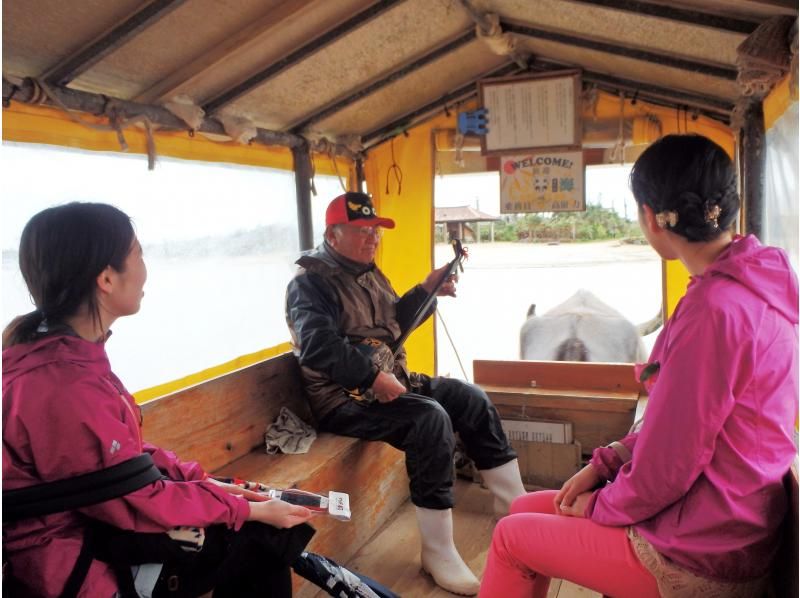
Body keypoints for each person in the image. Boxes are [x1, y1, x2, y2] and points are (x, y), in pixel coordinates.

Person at [1, 202, 392, 598]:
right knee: (258, 537)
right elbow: (132, 500)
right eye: (137, 253)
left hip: (99, 525)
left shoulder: (62, 360)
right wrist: (245, 508)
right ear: (106, 278)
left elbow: (125, 462)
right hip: (75, 563)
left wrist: (204, 481)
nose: (143, 266)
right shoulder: (64, 386)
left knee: (257, 523)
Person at [479, 134, 799, 598]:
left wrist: (602, 504)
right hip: (733, 514)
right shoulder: (758, 280)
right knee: (525, 506)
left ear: (650, 217)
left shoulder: (713, 310)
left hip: (702, 548)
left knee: (511, 538)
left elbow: (670, 465)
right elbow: (686, 430)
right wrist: (609, 459)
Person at [285, 191, 526, 596]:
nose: (372, 238)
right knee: (430, 419)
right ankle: (438, 553)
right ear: (333, 234)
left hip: (388, 380)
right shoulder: (310, 282)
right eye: (361, 231)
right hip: (342, 400)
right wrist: (372, 379)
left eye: (375, 230)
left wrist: (426, 290)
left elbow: (395, 322)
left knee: (470, 398)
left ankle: (513, 503)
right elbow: (318, 347)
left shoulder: (368, 273)